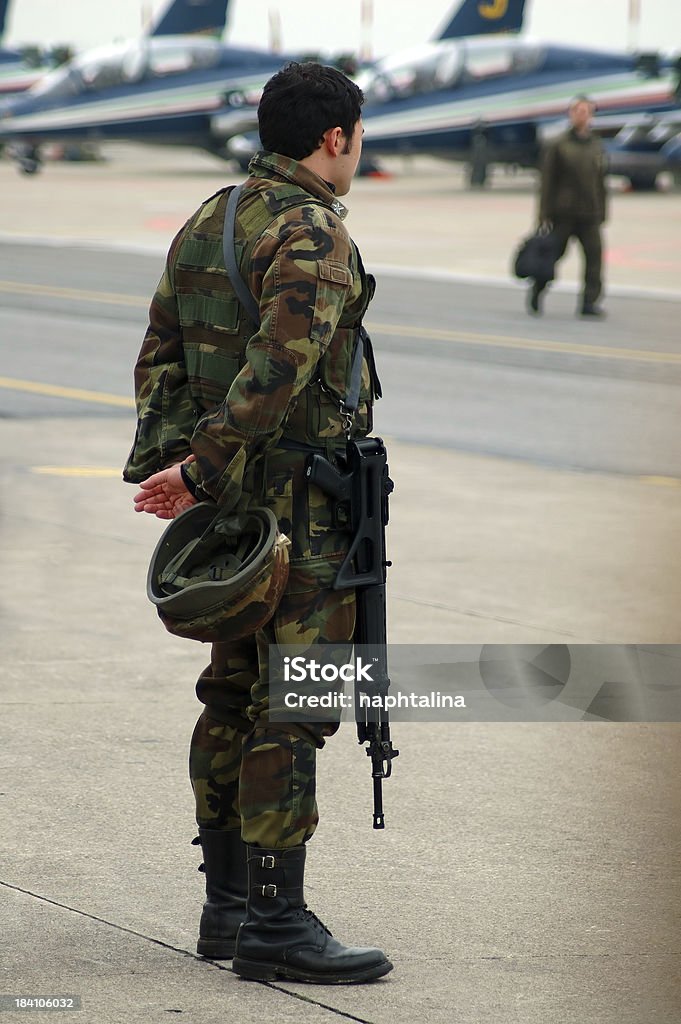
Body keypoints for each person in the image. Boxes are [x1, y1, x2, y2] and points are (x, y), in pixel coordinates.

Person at [122, 61, 392, 984]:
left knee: (231, 692)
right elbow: (280, 366)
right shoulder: (311, 228)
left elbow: (159, 349)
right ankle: (277, 918)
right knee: (298, 701)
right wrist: (199, 469)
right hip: (297, 508)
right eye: (357, 137)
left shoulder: (215, 215)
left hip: (233, 511)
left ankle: (227, 905)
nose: (358, 152)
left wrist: (174, 469)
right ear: (334, 138)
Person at [529, 95, 608, 318]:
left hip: (590, 214)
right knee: (553, 255)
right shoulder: (557, 145)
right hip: (563, 213)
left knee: (595, 258)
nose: (582, 115)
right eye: (578, 111)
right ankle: (538, 289)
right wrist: (543, 214)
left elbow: (600, 181)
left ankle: (589, 302)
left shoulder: (596, 145)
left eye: (586, 111)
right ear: (571, 114)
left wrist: (602, 211)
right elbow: (547, 182)